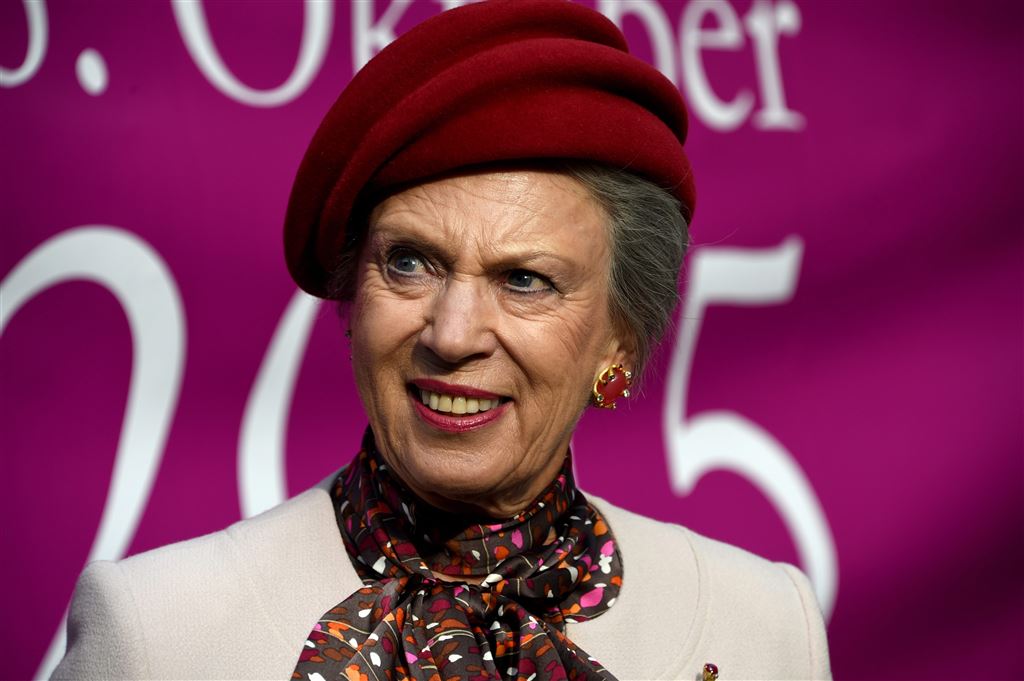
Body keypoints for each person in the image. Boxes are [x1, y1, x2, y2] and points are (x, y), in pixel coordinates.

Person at [53, 1, 830, 679]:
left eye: (524, 279)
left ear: (619, 340)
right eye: (410, 262)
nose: (452, 335)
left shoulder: (764, 624)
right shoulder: (158, 631)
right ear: (353, 297)